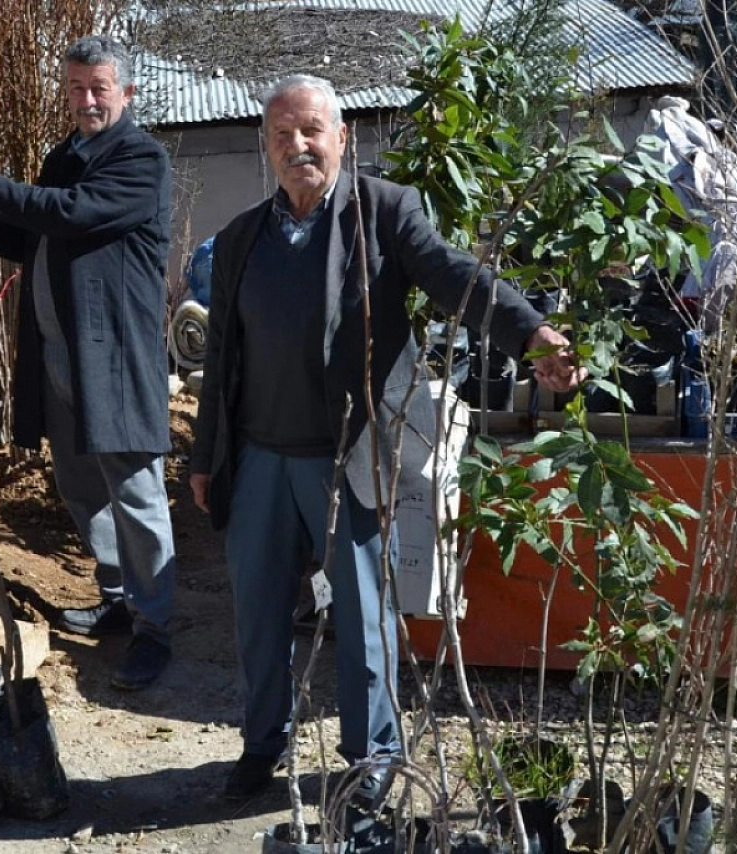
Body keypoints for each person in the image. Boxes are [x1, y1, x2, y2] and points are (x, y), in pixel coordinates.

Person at [188, 75, 585, 802]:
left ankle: (371, 757)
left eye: (311, 130)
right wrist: (206, 453)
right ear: (266, 147)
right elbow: (221, 358)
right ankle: (260, 745)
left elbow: (454, 276)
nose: (297, 145)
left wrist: (529, 333)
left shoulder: (384, 212)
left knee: (365, 616)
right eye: (282, 134)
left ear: (342, 137)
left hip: (346, 454)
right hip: (259, 457)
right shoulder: (243, 237)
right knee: (259, 614)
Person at [0, 35, 177, 691]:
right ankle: (115, 596)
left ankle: (155, 628)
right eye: (76, 87)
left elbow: (74, 215)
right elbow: (46, 233)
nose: (87, 99)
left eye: (99, 87)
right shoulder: (63, 156)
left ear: (126, 93)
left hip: (116, 359)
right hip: (61, 356)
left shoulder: (141, 160)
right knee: (80, 484)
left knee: (135, 494)